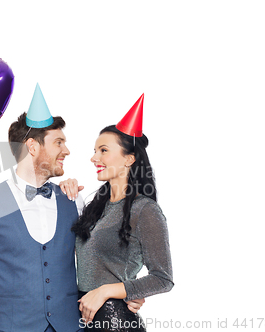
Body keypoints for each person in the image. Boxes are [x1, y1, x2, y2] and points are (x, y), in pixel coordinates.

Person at [0, 84, 144, 332]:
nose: (66, 150)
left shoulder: (73, 200)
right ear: (32, 147)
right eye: (58, 142)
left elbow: (97, 263)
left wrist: (126, 290)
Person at [67, 94, 174, 331]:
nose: (94, 158)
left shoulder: (145, 210)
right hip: (84, 321)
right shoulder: (96, 207)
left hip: (116, 322)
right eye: (95, 151)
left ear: (129, 158)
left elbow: (163, 278)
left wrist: (108, 290)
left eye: (103, 150)